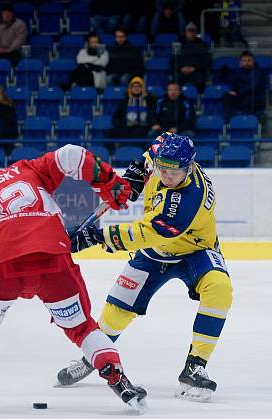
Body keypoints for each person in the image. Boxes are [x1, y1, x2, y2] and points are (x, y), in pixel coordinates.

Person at [0, 145, 148, 413]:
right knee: (82, 328)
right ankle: (120, 381)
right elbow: (70, 155)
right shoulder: (25, 169)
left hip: (1, 266)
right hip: (54, 256)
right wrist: (109, 183)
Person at [60, 133, 232, 402]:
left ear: (190, 166)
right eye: (161, 168)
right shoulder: (164, 153)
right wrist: (134, 177)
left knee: (219, 288)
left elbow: (147, 233)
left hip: (195, 249)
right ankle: (95, 354)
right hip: (154, 254)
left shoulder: (188, 199)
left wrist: (96, 236)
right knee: (117, 309)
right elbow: (149, 156)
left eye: (173, 172)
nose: (165, 175)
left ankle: (195, 366)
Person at [221, 49, 268, 119]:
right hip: (241, 99)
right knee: (225, 96)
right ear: (241, 62)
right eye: (244, 61)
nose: (246, 63)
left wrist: (237, 93)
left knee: (249, 100)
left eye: (249, 60)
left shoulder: (259, 72)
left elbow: (253, 87)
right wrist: (233, 91)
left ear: (253, 61)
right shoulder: (237, 72)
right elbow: (233, 86)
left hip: (255, 100)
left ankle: (248, 121)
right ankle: (230, 119)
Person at [174, 22, 212, 91]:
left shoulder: (202, 45)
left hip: (197, 71)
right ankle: (179, 100)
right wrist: (181, 68)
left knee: (200, 81)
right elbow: (174, 60)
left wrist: (194, 68)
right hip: (182, 71)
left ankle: (199, 100)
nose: (192, 34)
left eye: (193, 31)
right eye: (189, 31)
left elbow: (207, 61)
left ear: (196, 33)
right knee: (175, 81)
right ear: (186, 32)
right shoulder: (178, 44)